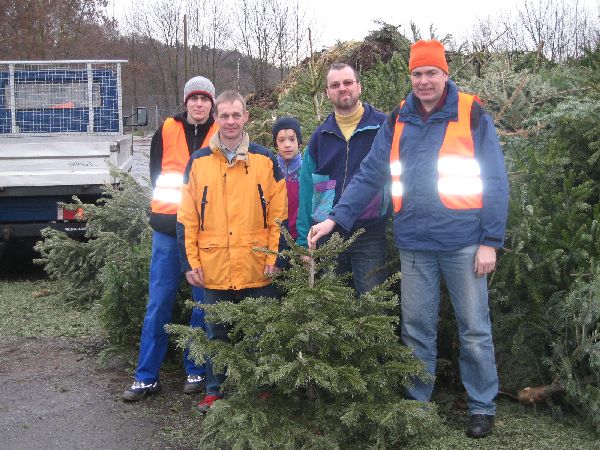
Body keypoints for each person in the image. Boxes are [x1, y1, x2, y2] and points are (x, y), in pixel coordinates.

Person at [308, 40, 509, 439]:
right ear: (411, 77)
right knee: (416, 326)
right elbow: (370, 174)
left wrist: (491, 240)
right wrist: (335, 219)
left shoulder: (470, 112)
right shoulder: (398, 118)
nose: (424, 80)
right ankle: (417, 403)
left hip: (464, 242)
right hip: (415, 243)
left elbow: (494, 178)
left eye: (431, 72)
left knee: (474, 328)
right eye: (417, 74)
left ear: (445, 75)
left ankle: (482, 406)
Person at [177, 90, 287, 413]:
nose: (230, 121)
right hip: (214, 267)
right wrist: (189, 262)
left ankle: (263, 389)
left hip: (258, 267)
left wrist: (274, 258)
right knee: (216, 334)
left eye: (236, 115)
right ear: (216, 118)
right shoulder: (198, 163)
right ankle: (214, 391)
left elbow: (278, 217)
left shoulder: (266, 161)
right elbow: (186, 219)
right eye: (224, 115)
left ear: (245, 117)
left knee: (261, 332)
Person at [122, 76, 218, 402]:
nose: (199, 103)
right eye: (194, 98)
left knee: (202, 305)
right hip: (167, 232)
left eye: (205, 98)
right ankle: (146, 377)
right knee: (158, 305)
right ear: (186, 101)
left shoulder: (221, 132)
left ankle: (196, 369)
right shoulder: (166, 130)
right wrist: (166, 215)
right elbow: (155, 175)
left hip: (206, 236)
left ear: (211, 103)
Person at [297, 63, 389, 295]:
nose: (342, 89)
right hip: (329, 236)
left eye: (348, 82)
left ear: (359, 86)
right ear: (327, 92)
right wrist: (302, 241)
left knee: (373, 306)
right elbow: (308, 189)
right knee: (333, 305)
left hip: (370, 232)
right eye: (335, 85)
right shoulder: (320, 137)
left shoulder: (383, 126)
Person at [272, 116, 302, 240]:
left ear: (299, 142)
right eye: (282, 140)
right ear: (276, 144)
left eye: (291, 139)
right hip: (276, 238)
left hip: (302, 238)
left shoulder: (307, 171)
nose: (287, 145)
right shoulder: (270, 170)